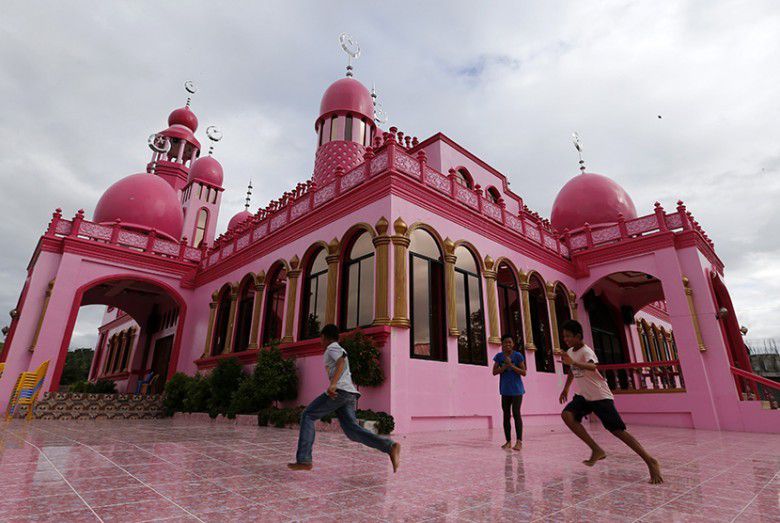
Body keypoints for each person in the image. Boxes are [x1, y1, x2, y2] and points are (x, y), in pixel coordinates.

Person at [558, 319, 663, 484]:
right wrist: (565, 388)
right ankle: (596, 449)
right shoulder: (570, 351)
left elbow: (593, 367)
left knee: (617, 431)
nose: (566, 340)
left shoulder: (587, 351)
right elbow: (572, 370)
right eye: (564, 337)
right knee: (567, 415)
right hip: (584, 396)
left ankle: (650, 461)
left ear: (578, 336)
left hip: (600, 396)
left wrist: (574, 363)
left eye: (569, 337)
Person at [288, 324, 401, 472]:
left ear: (324, 337)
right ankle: (390, 446)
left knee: (308, 415)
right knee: (352, 431)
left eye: (321, 338)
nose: (320, 342)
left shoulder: (332, 347)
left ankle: (304, 460)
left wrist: (333, 384)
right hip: (348, 394)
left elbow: (341, 361)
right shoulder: (337, 348)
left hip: (340, 392)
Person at [492, 334, 526, 450]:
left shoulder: (518, 356)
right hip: (505, 390)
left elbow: (524, 372)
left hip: (517, 391)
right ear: (502, 344)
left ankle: (519, 442)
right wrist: (505, 367)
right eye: (505, 342)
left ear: (513, 344)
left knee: (516, 413)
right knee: (506, 415)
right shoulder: (499, 356)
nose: (507, 344)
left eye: (509, 342)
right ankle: (508, 441)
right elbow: (494, 372)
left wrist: (511, 365)